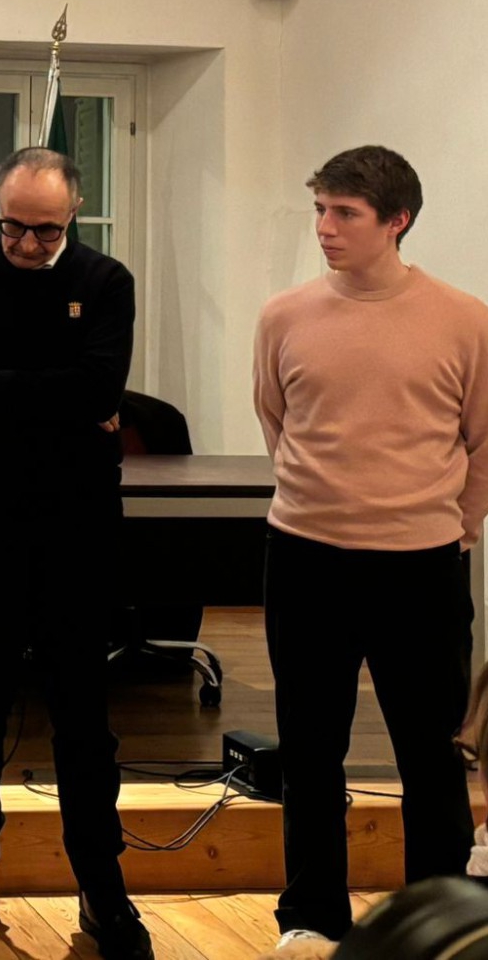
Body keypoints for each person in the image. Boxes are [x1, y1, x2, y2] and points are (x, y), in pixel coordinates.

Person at [254, 145, 488, 948]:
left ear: (397, 221)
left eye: (344, 213)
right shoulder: (284, 315)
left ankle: (439, 921)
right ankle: (311, 917)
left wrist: (455, 525)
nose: (325, 227)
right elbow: (278, 419)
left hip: (421, 563)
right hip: (306, 556)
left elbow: (482, 441)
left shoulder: (464, 319)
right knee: (310, 749)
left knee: (431, 755)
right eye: (320, 209)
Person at [0, 147, 149, 960]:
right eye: (12, 226)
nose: (25, 243)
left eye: (45, 230)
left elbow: (99, 390)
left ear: (73, 216)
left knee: (83, 718)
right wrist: (54, 394)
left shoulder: (106, 280)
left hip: (76, 527)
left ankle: (101, 885)